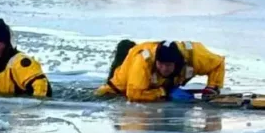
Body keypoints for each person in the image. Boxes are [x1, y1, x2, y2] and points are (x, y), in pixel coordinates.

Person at [96, 39, 226, 103]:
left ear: (178, 62)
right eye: (161, 64)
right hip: (129, 72)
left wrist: (212, 87)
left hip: (162, 80)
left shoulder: (195, 56)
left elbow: (217, 63)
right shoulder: (143, 62)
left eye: (169, 65)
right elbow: (134, 94)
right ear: (155, 61)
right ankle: (125, 49)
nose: (164, 69)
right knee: (113, 88)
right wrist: (163, 92)